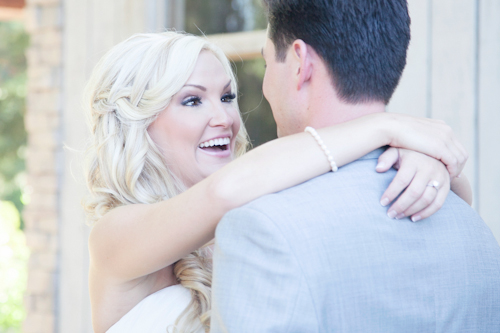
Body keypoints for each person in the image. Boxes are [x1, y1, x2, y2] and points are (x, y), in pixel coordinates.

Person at [84, 32, 470, 333]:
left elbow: (461, 203)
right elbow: (224, 192)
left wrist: (425, 163)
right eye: (192, 101)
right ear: (140, 123)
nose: (225, 118)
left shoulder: (259, 211)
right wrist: (387, 126)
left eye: (227, 96)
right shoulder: (113, 236)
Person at [210, 0, 500, 332]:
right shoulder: (476, 233)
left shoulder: (261, 230)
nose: (265, 86)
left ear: (299, 63)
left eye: (267, 60)